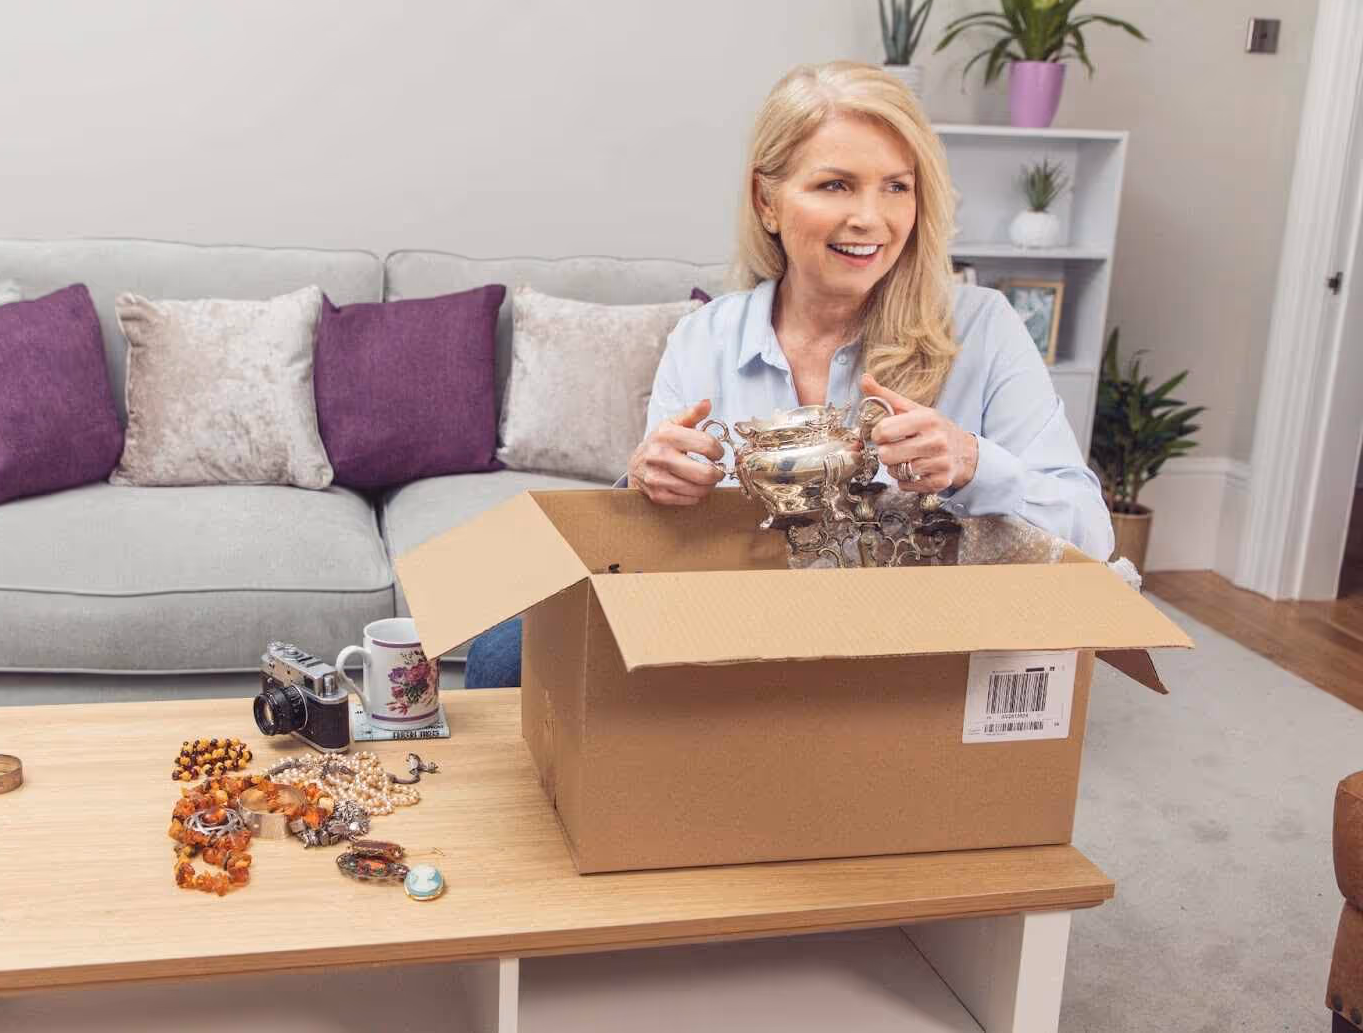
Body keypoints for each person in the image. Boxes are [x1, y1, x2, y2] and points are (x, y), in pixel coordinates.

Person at [464, 60, 1113, 690]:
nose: (871, 218)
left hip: (910, 639)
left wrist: (974, 462)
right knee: (504, 652)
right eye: (836, 185)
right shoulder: (705, 337)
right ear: (767, 201)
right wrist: (647, 480)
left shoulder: (982, 326)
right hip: (742, 628)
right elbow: (651, 543)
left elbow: (1091, 531)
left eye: (897, 186)